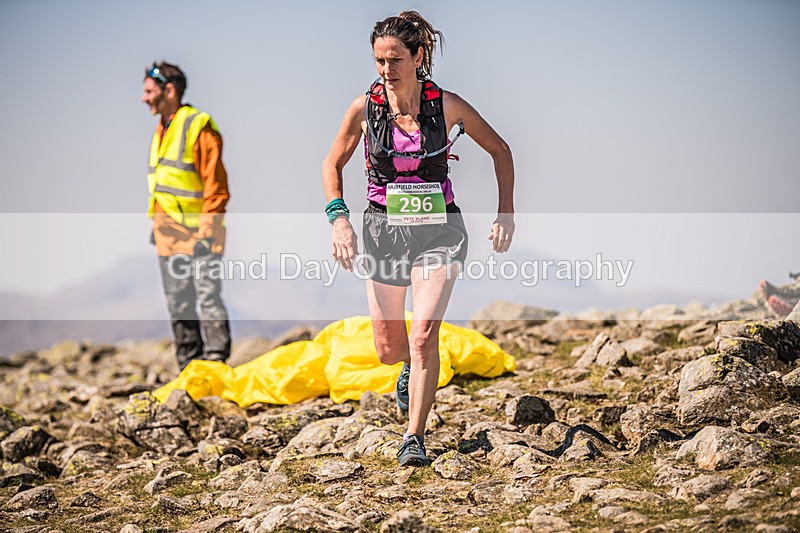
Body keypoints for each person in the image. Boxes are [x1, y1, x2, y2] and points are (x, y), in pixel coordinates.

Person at [321, 12, 515, 466]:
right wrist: (339, 219)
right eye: (379, 61)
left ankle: (414, 438)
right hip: (383, 230)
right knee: (390, 350)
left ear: (418, 56)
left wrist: (506, 211)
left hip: (439, 230)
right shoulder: (362, 108)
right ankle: (407, 369)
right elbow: (332, 164)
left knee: (424, 333)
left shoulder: (446, 105)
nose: (387, 70)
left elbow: (500, 149)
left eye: (396, 59)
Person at [141, 61, 232, 370]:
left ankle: (216, 364)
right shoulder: (161, 129)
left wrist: (207, 232)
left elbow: (215, 184)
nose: (144, 98)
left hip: (201, 235)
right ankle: (188, 370)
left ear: (170, 90)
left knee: (207, 298)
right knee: (179, 304)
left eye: (149, 91)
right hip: (168, 236)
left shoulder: (197, 125)